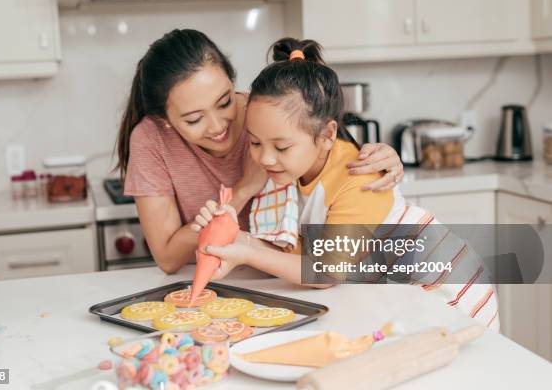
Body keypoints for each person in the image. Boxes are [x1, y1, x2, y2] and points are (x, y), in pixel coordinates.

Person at [194, 37, 499, 330]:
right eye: (255, 142)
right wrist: (235, 237)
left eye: (281, 147)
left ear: (326, 135)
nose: (265, 158)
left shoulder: (359, 176)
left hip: (447, 291)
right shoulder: (294, 172)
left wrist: (247, 251)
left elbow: (326, 270)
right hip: (398, 293)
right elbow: (298, 257)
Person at [117, 29, 405, 274]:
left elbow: (328, 269)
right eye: (194, 119)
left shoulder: (269, 117)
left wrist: (388, 160)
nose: (218, 126)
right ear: (165, 120)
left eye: (225, 102)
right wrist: (241, 195)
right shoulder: (152, 140)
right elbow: (168, 258)